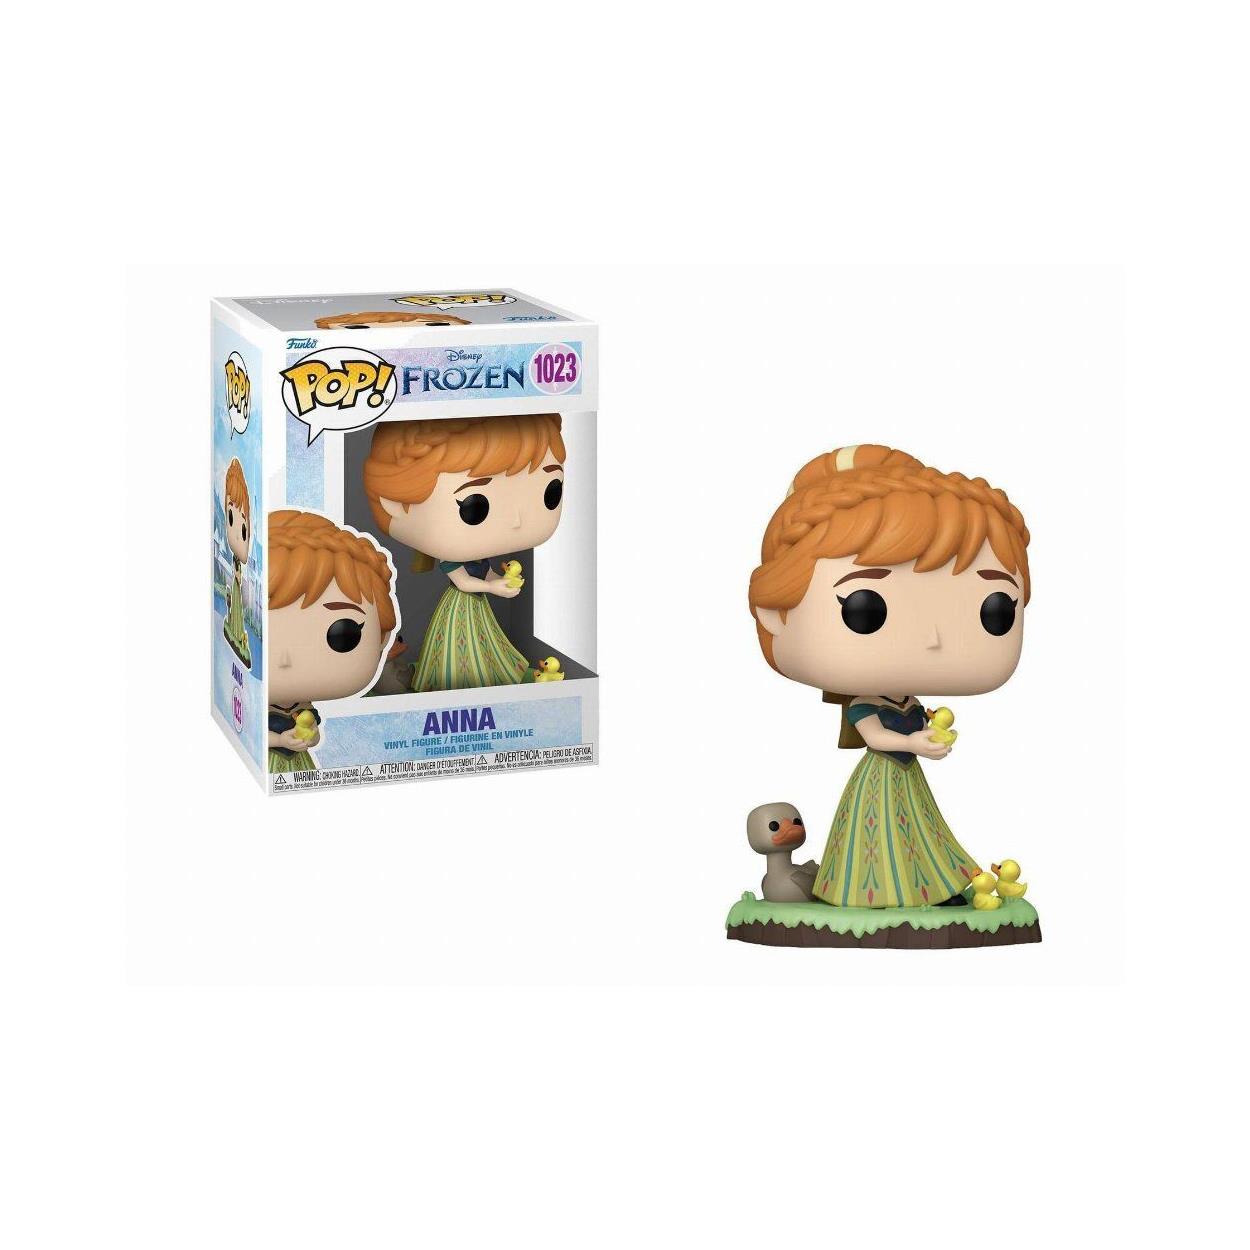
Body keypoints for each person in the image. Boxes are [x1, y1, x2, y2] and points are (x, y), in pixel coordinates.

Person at [748, 444, 1030, 907]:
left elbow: (914, 726)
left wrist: (930, 732)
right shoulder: (865, 704)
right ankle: (874, 893)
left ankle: (934, 889)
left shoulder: (909, 702)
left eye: (994, 610)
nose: (933, 638)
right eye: (867, 609)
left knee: (924, 831)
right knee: (881, 838)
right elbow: (876, 737)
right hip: (880, 781)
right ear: (775, 613)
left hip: (907, 779)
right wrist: (915, 742)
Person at [362, 414, 566, 691]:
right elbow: (465, 582)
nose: (516, 520)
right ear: (393, 504)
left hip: (478, 606)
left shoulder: (479, 554)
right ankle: (452, 684)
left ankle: (488, 678)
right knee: (459, 648)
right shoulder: (451, 560)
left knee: (486, 643)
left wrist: (500, 580)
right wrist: (492, 587)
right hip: (460, 608)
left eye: (551, 492)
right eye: (474, 506)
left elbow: (487, 572)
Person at [267, 509, 399, 773]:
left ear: (382, 637)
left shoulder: (303, 707)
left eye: (344, 633)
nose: (286, 659)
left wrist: (309, 738)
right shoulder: (260, 704)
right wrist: (280, 740)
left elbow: (315, 735)